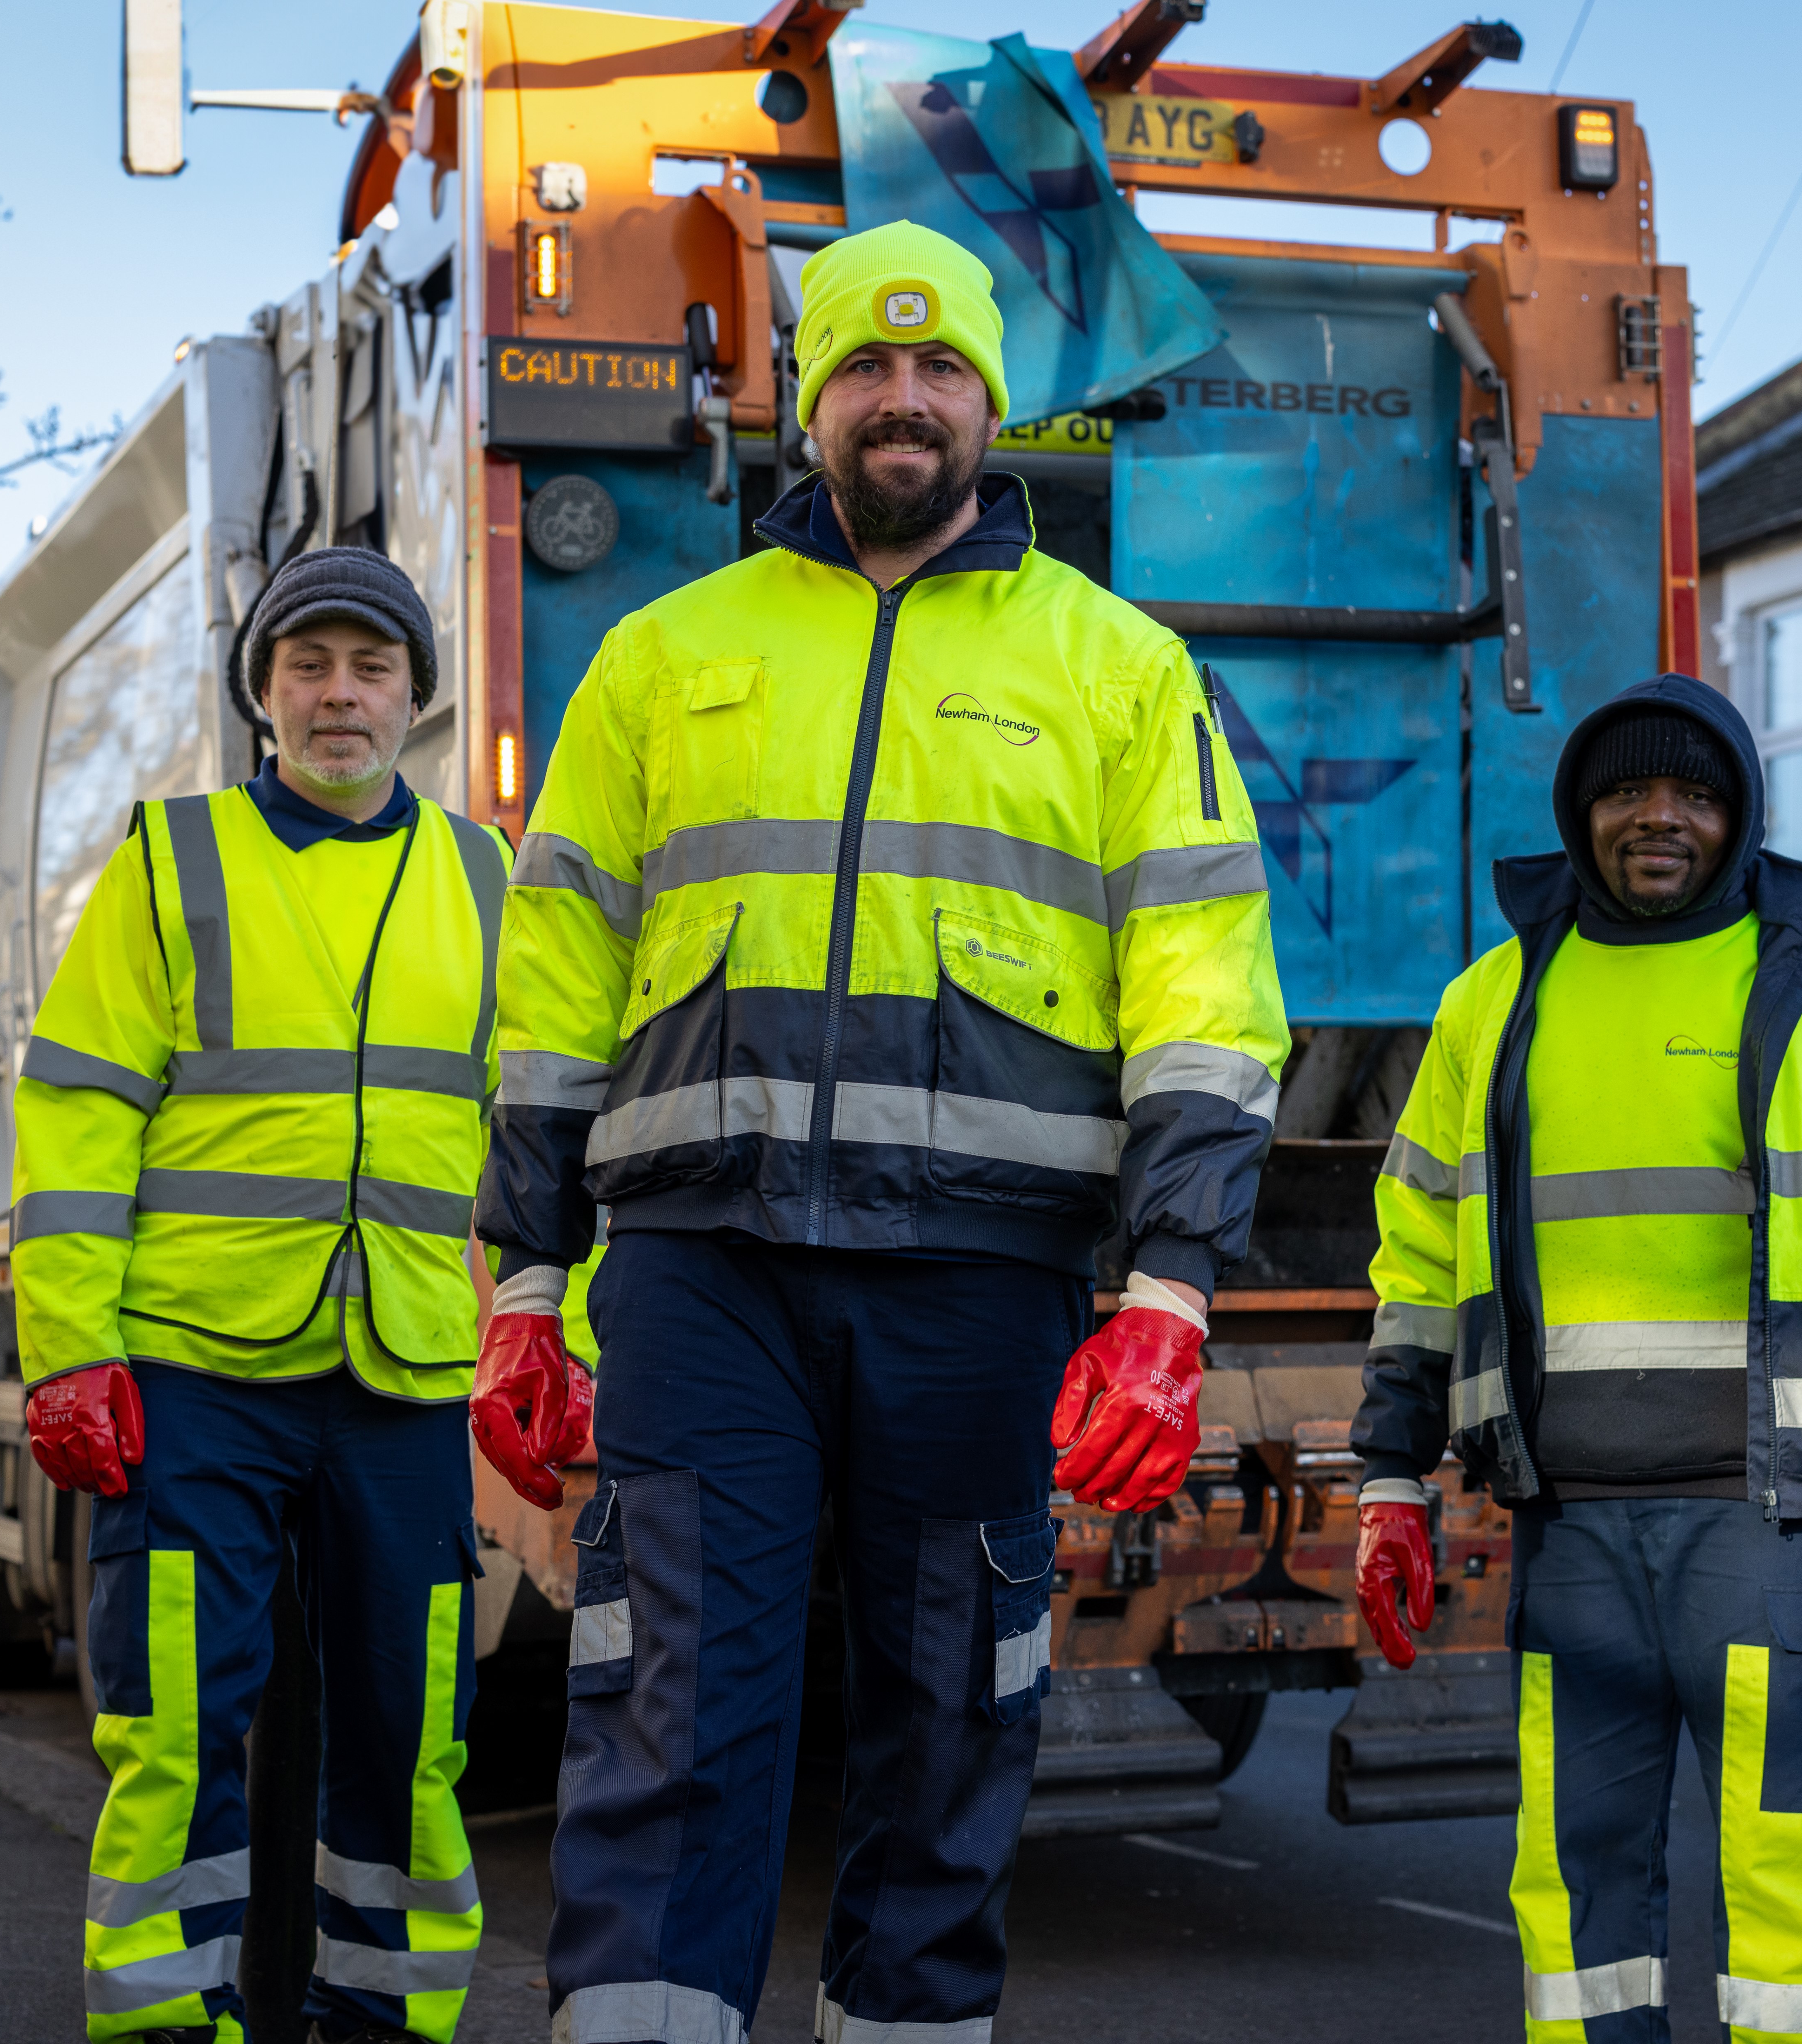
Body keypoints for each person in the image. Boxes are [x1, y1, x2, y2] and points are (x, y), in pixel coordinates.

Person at [468, 218, 1288, 2044]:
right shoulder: (662, 657)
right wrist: (523, 1280)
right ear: (804, 400)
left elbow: (1206, 994)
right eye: (862, 367)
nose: (900, 402)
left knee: (947, 1720)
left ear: (988, 407)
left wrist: (1167, 1290)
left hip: (980, 1278)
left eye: (937, 371)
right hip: (702, 1272)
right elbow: (550, 990)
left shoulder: (1118, 668)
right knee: (671, 1701)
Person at [1350, 674, 1802, 2043]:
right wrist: (1386, 1478)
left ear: (1740, 817)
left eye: (1694, 795)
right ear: (1580, 814)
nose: (1659, 819)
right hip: (1569, 1529)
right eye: (1628, 792)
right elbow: (1417, 1257)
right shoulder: (1494, 1005)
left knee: (1788, 1893)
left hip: (1768, 1528)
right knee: (1573, 1895)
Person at [9, 545, 515, 2044]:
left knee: (408, 1740)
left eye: (371, 667)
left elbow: (545, 1137)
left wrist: (568, 1339)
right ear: (262, 695)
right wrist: (67, 1351)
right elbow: (81, 1109)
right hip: (191, 1372)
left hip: (407, 1379)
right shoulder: (171, 860)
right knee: (175, 1731)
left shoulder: (489, 880)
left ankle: (383, 2024)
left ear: (417, 697)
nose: (339, 695)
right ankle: (174, 2028)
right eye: (308, 666)